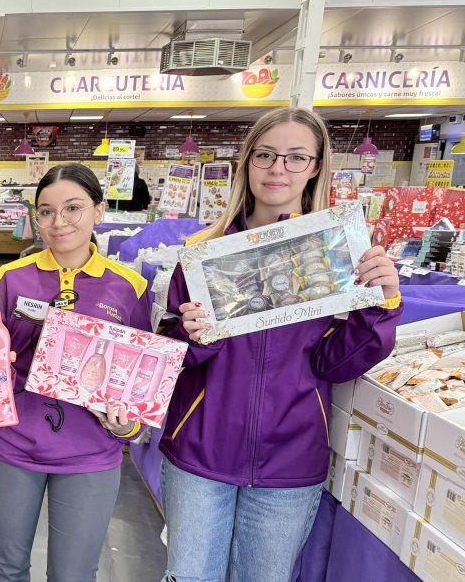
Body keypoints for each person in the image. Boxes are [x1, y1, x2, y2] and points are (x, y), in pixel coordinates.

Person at [158, 108, 402, 582]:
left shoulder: (334, 255)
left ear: (315, 167)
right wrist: (192, 338)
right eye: (266, 155)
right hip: (200, 451)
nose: (278, 169)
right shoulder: (205, 255)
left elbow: (337, 363)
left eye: (295, 158)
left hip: (290, 458)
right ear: (247, 162)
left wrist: (381, 304)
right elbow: (170, 354)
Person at [0, 163, 148, 582]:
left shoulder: (129, 286)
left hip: (90, 456)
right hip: (11, 447)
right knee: (6, 568)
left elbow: (139, 382)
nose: (59, 222)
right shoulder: (8, 278)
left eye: (73, 208)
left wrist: (125, 428)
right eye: (46, 211)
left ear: (99, 211)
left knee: (74, 574)